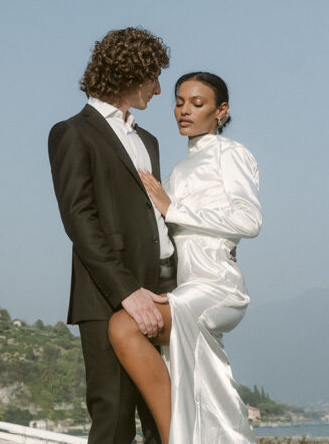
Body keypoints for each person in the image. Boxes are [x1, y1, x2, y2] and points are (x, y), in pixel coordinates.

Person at [108, 72, 262, 443]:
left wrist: (173, 209)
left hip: (218, 286)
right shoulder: (177, 170)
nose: (184, 111)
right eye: (179, 102)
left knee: (124, 325)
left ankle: (171, 435)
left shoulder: (231, 153)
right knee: (199, 385)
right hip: (185, 284)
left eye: (198, 103)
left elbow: (249, 220)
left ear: (220, 111)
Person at [48, 27, 174, 444]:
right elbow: (79, 220)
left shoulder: (148, 141)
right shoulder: (72, 133)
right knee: (114, 420)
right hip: (105, 297)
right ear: (130, 74)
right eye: (153, 76)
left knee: (166, 419)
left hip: (164, 291)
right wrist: (126, 292)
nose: (158, 89)